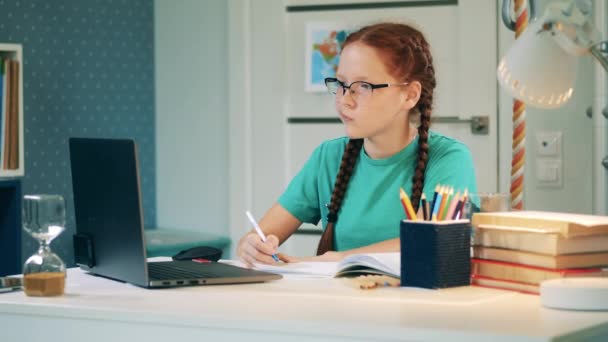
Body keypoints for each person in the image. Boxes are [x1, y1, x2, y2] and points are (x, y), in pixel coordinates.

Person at [237, 22, 477, 266]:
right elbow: (261, 234)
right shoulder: (328, 157)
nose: (345, 100)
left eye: (363, 86)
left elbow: (433, 241)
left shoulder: (449, 158)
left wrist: (340, 259)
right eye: (341, 84)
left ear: (410, 94)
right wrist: (251, 246)